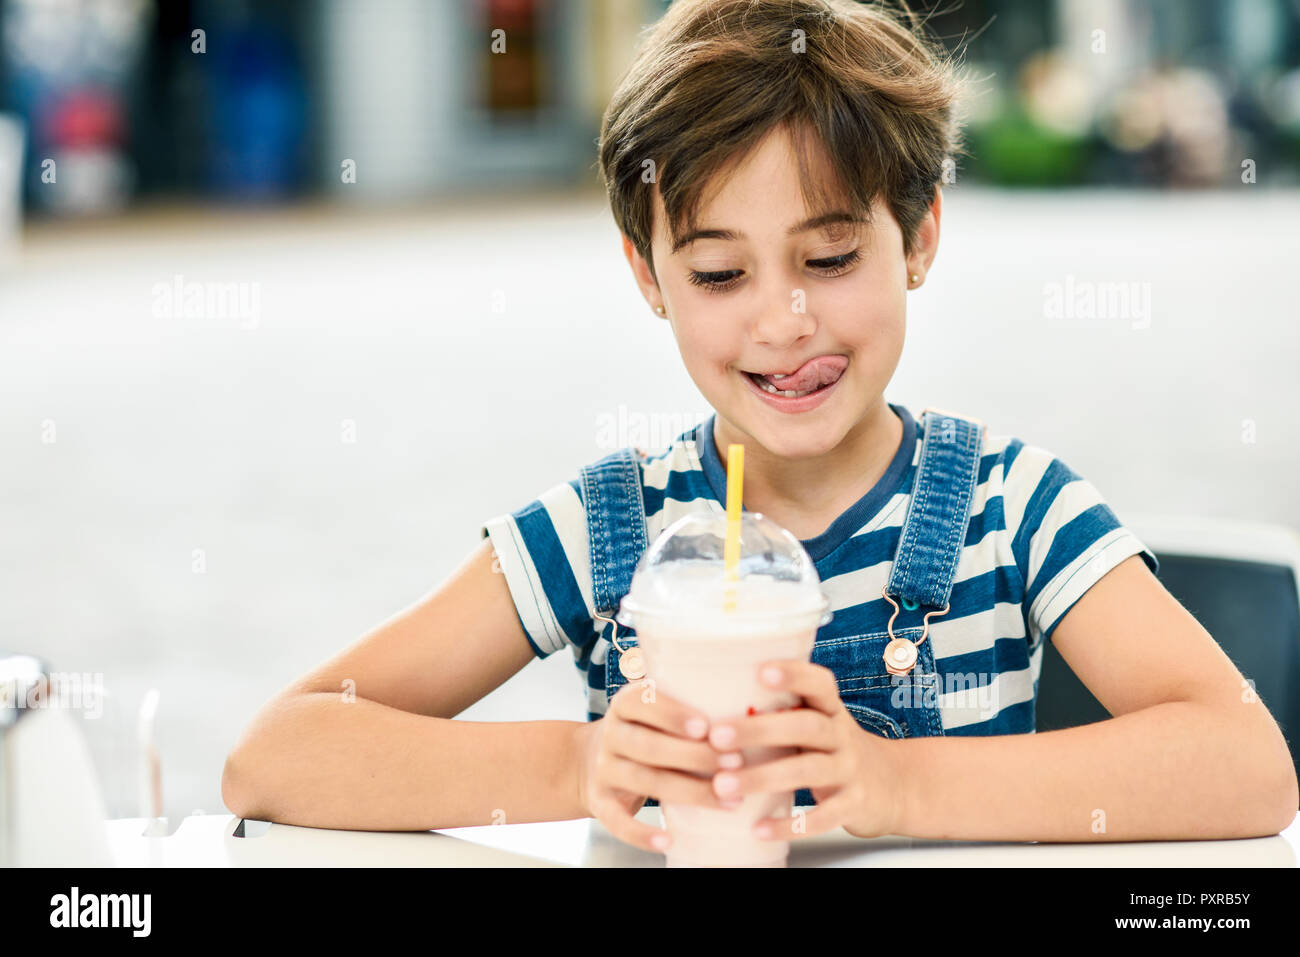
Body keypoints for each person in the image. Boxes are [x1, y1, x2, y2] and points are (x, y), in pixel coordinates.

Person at [222, 0, 1297, 853]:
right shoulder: (613, 528)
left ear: (919, 238)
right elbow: (277, 755)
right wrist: (575, 769)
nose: (784, 324)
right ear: (649, 275)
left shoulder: (1010, 510)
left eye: (829, 259)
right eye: (720, 272)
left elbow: (1245, 768)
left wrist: (892, 783)